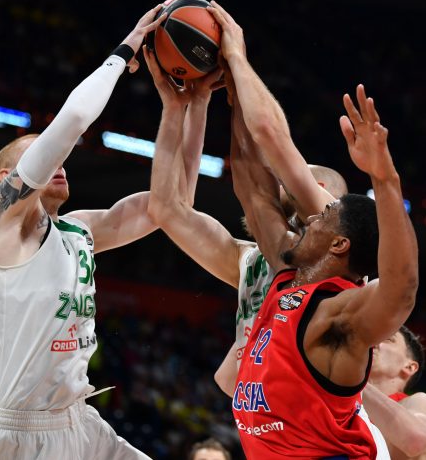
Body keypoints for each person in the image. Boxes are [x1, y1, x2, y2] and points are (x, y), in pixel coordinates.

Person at [0, 4, 172, 459]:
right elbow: (71, 123)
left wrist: (183, 106)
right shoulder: (2, 218)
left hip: (76, 420)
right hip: (13, 432)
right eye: (39, 153)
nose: (56, 160)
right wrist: (123, 51)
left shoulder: (78, 230)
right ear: (3, 175)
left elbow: (167, 205)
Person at [224, 63, 418, 458]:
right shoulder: (286, 278)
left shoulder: (340, 314)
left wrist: (385, 180)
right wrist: (233, 98)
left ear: (339, 244)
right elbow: (254, 195)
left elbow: (401, 288)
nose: (311, 218)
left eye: (323, 217)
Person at [143, 47, 347, 397]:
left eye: (286, 180)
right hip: (267, 419)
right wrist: (180, 107)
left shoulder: (339, 249)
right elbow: (166, 208)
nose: (276, 182)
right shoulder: (250, 261)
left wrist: (237, 63)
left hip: (319, 423)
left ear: (319, 191)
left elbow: (262, 156)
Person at [363, 326, 426, 460]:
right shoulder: (347, 406)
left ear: (409, 367)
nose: (374, 343)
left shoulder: (419, 401)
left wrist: (353, 383)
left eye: (387, 339)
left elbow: (415, 440)